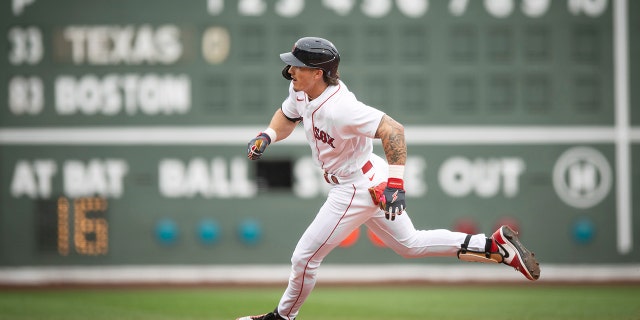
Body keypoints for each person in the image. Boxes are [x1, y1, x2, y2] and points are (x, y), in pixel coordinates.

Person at [238, 37, 540, 320]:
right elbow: (287, 115)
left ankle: (282, 317)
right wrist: (268, 134)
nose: (290, 70)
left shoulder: (342, 108)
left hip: (354, 186)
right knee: (410, 244)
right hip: (365, 175)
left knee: (304, 259)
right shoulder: (302, 91)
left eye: (297, 65)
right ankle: (494, 246)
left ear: (317, 73)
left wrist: (396, 184)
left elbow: (393, 130)